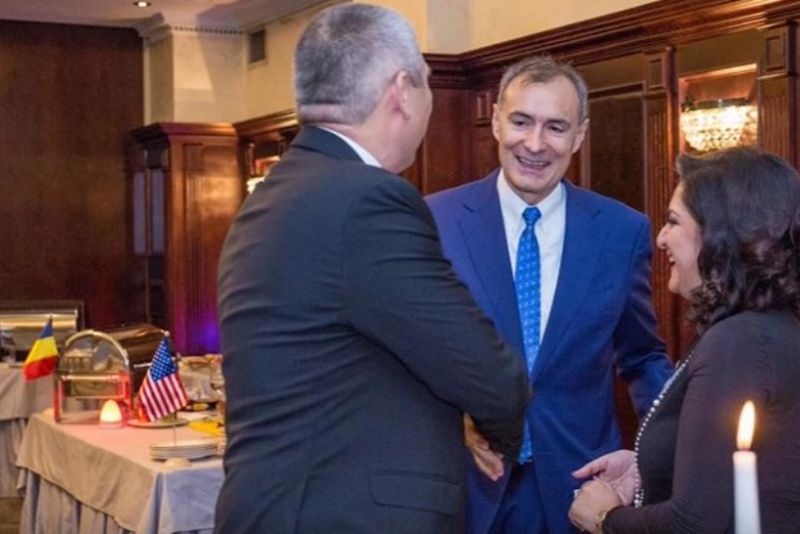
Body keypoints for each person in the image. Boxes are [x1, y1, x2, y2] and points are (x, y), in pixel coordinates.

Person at [214, 4, 530, 533]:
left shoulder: (273, 195)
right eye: (426, 81)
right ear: (402, 91)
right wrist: (494, 425)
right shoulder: (367, 200)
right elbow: (483, 369)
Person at [426, 55, 673, 533]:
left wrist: (679, 445)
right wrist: (451, 415)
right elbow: (407, 354)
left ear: (579, 135)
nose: (535, 144)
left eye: (556, 127)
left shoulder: (620, 232)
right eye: (521, 121)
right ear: (496, 121)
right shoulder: (436, 221)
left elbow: (642, 357)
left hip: (578, 489)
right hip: (465, 487)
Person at [569, 147, 800, 533]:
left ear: (718, 237)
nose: (661, 239)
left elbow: (692, 524)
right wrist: (647, 467)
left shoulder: (739, 342)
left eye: (673, 222)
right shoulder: (754, 328)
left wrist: (605, 518)